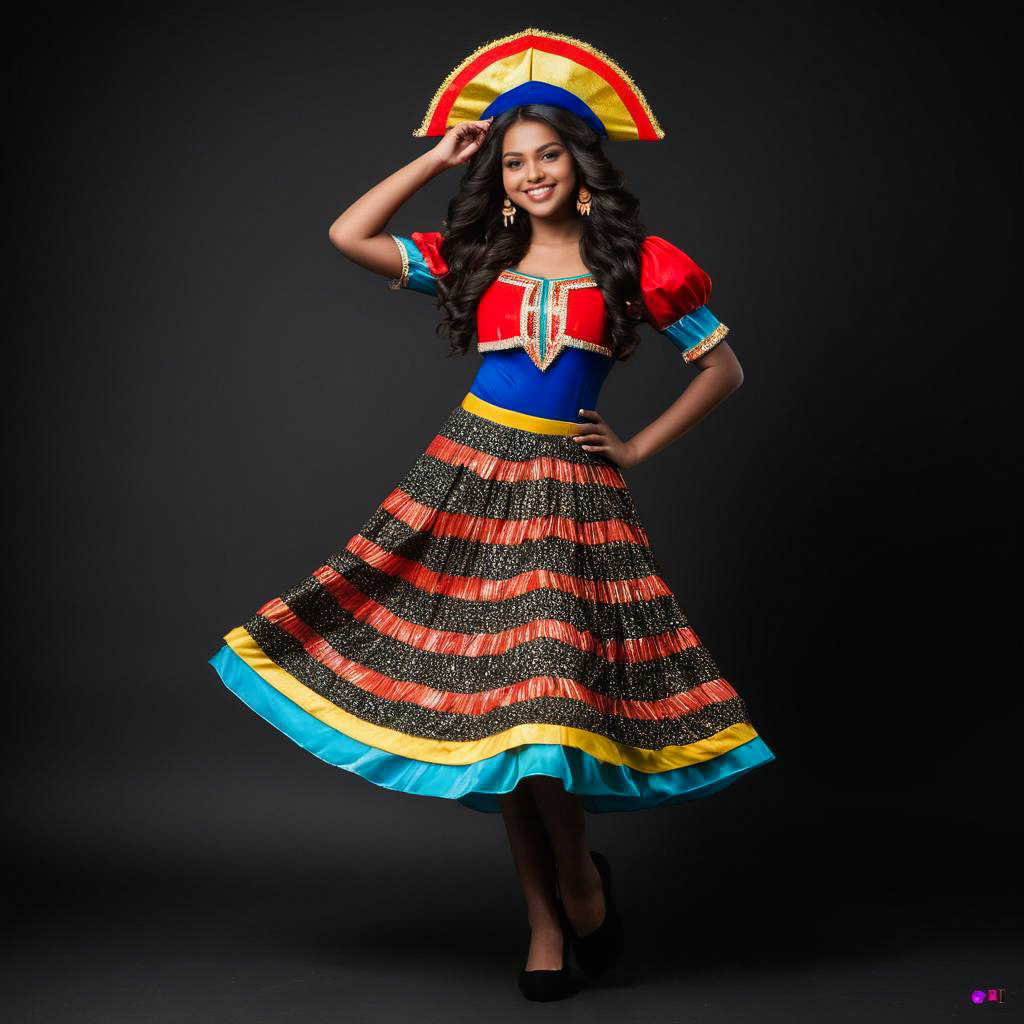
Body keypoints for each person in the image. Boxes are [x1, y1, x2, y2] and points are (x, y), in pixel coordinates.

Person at [208, 29, 775, 1002]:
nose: (532, 173)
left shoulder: (642, 265)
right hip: (466, 483)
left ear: (580, 163)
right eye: (513, 162)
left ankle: (581, 886)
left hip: (569, 498)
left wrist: (635, 449)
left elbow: (723, 368)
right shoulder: (475, 257)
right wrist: (437, 157)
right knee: (495, 714)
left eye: (547, 154)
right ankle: (549, 916)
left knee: (539, 702)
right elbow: (346, 235)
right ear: (500, 179)